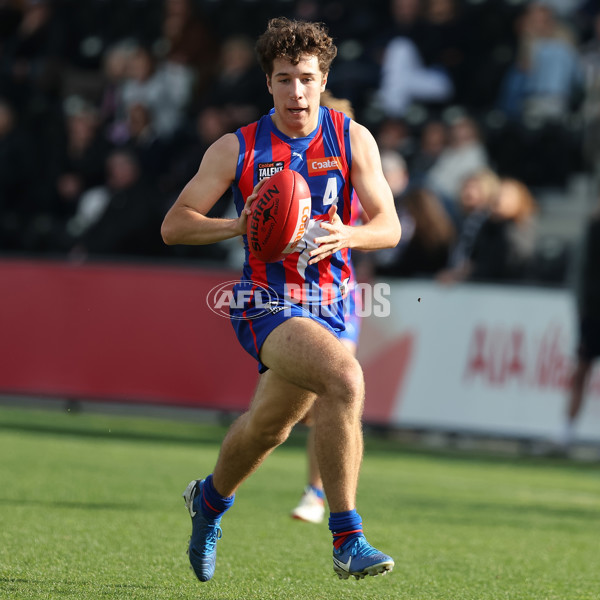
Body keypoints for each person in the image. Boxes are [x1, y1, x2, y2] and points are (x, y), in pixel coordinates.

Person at [161, 17, 401, 583]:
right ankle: (348, 538)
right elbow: (174, 226)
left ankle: (210, 501)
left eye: (307, 78)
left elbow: (389, 225)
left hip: (334, 303)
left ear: (324, 80)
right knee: (345, 378)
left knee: (268, 429)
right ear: (268, 83)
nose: (297, 91)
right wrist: (238, 225)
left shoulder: (350, 137)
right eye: (285, 79)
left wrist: (350, 234)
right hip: (268, 302)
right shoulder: (237, 146)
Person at [290, 89, 363, 525]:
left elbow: (382, 223)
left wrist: (348, 233)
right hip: (289, 297)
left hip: (341, 296)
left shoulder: (354, 164)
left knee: (337, 390)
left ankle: (318, 494)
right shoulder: (293, 168)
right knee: (297, 411)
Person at [562, 206, 600, 449]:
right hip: (593, 311)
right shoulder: (594, 229)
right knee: (581, 370)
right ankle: (567, 430)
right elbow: (580, 270)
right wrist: (581, 305)